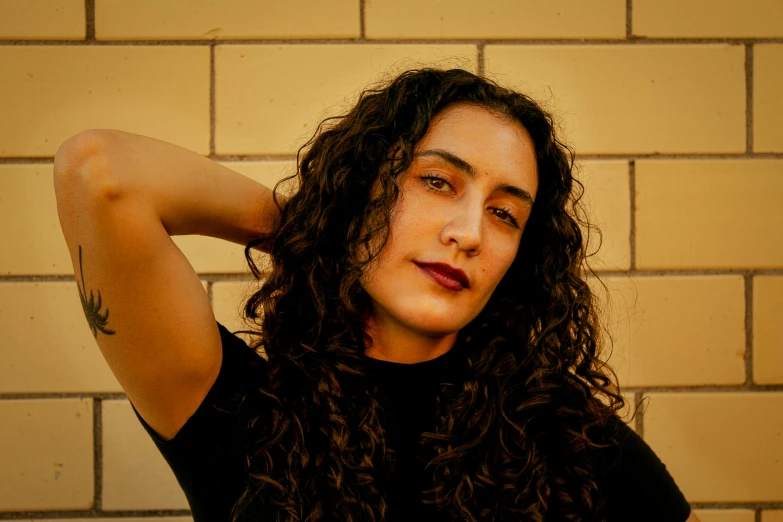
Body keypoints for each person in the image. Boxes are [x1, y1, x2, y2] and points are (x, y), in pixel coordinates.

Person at [53, 67, 698, 522]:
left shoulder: (564, 434)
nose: (469, 233)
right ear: (364, 188)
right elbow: (100, 173)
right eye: (439, 182)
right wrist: (324, 228)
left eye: (506, 215)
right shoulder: (237, 410)